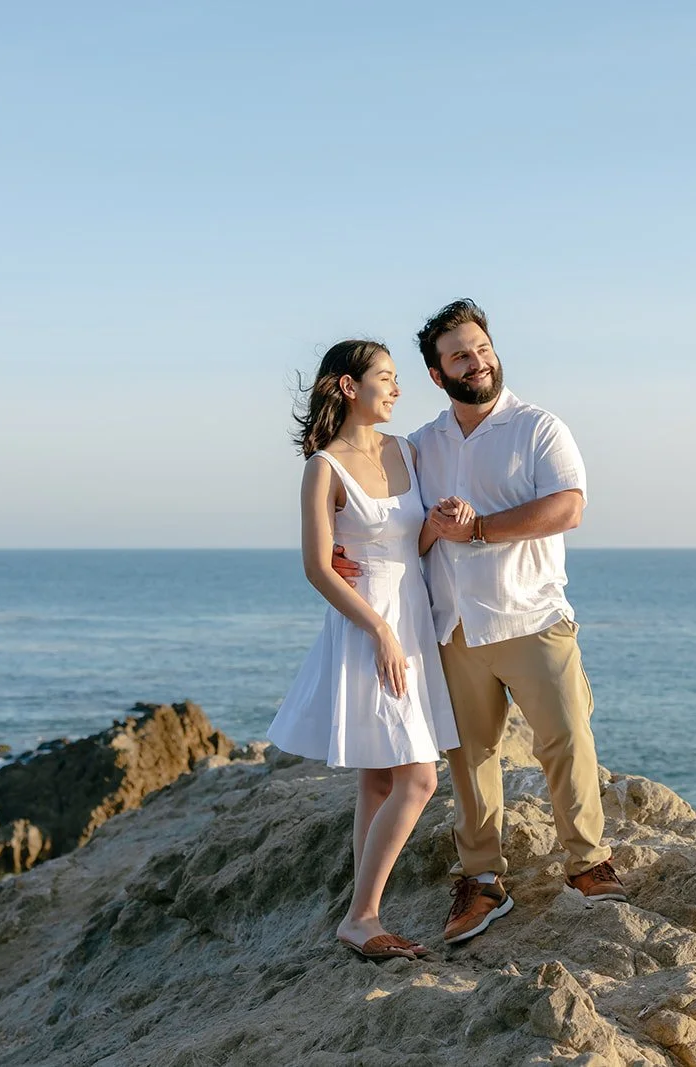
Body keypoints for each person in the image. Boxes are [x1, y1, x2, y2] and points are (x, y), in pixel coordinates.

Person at [334, 299, 626, 947]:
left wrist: (483, 528)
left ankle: (588, 862)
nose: (477, 361)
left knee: (567, 738)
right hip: (454, 626)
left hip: (533, 616)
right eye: (460, 355)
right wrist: (435, 532)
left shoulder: (538, 427)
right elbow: (406, 536)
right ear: (438, 375)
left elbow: (569, 507)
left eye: (482, 348)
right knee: (470, 759)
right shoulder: (420, 447)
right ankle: (483, 881)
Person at [267, 339, 460, 962]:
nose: (398, 389)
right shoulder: (324, 466)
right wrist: (378, 630)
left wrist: (440, 524)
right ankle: (361, 917)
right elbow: (318, 568)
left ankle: (364, 911)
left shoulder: (405, 450)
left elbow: (412, 542)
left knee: (381, 775)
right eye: (386, 377)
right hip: (369, 627)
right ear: (350, 387)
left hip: (415, 621)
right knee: (419, 778)